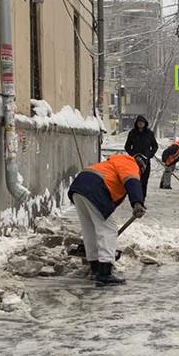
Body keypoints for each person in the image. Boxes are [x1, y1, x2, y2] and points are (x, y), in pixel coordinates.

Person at [68, 153, 147, 286]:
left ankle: (95, 268)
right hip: (95, 189)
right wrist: (137, 202)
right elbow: (131, 180)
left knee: (90, 229)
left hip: (79, 186)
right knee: (109, 229)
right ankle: (105, 272)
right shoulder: (130, 163)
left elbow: (112, 199)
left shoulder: (114, 162)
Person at [124, 115, 157, 195]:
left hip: (146, 161)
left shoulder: (149, 133)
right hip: (135, 161)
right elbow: (127, 146)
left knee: (144, 181)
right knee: (136, 181)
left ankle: (142, 199)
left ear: (145, 123)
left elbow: (155, 146)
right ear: (136, 123)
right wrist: (133, 154)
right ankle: (137, 199)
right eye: (139, 122)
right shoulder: (132, 133)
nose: (141, 124)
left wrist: (149, 155)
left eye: (142, 122)